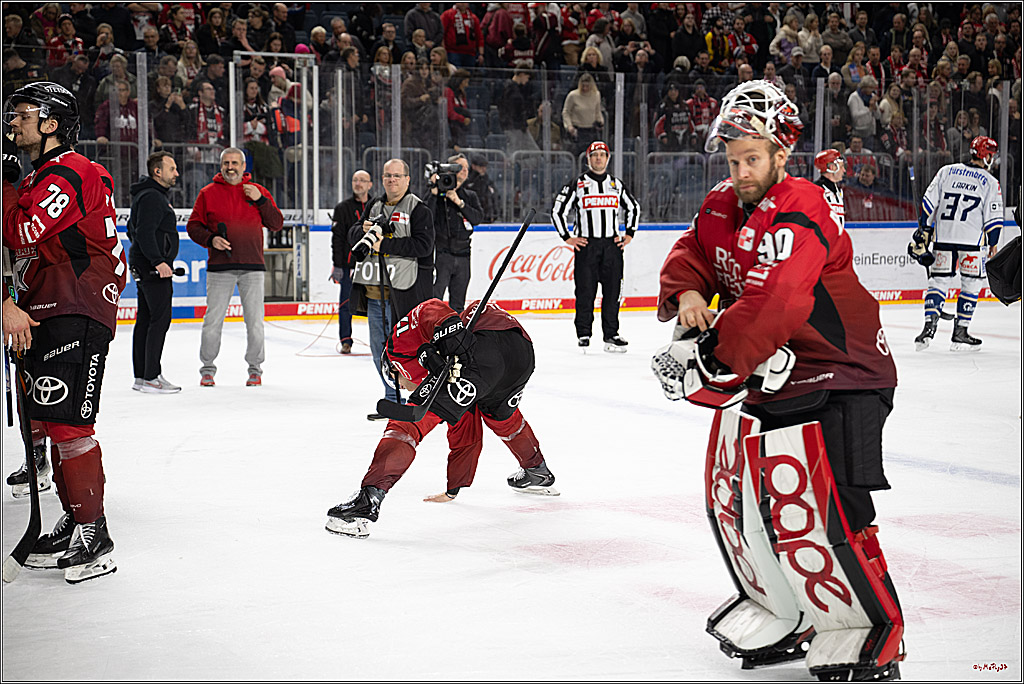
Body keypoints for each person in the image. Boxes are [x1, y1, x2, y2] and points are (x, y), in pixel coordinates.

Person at [653, 79, 903, 681]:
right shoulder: (722, 202)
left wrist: (717, 362)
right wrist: (688, 292)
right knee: (759, 507)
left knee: (834, 510)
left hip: (845, 374)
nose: (740, 171)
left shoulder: (804, 203)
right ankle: (790, 615)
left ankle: (874, 629)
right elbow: (694, 251)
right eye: (732, 159)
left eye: (751, 158)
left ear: (780, 153)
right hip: (775, 375)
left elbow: (779, 298)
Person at [2, 82, 125, 583]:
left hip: (76, 304)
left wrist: (6, 185)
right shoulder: (38, 176)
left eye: (23, 114)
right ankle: (76, 519)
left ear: (51, 123)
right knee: (53, 420)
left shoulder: (73, 170)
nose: (13, 123)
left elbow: (20, 231)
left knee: (70, 425)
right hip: (44, 307)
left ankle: (96, 535)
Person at [324, 298, 557, 539]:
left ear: (396, 369)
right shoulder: (445, 364)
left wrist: (451, 337)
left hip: (485, 349)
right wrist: (454, 487)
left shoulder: (397, 348)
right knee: (502, 418)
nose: (406, 389)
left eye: (400, 383)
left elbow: (431, 307)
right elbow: (465, 433)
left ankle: (366, 502)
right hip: (521, 355)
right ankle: (537, 470)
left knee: (407, 427)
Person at [185, 148, 283, 387]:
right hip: (220, 268)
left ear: (243, 166)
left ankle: (255, 370)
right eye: (226, 163)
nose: (231, 167)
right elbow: (193, 226)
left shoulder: (257, 191)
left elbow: (276, 223)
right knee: (213, 321)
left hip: (253, 267)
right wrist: (211, 240)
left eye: (235, 163)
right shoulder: (207, 193)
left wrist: (261, 200)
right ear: (221, 166)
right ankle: (207, 370)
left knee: (255, 323)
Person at [347, 159, 434, 420]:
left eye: (397, 175)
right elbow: (353, 235)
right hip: (375, 294)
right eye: (387, 175)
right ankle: (392, 399)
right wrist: (362, 231)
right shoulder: (374, 206)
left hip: (405, 295)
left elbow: (424, 246)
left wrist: (384, 244)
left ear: (408, 179)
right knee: (379, 352)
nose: (392, 180)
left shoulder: (419, 209)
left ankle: (415, 399)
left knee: (406, 351)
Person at [910, 136, 1003, 352]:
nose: (992, 159)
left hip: (944, 239)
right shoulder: (989, 182)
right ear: (985, 156)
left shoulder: (947, 171)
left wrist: (925, 229)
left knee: (938, 282)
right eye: (991, 155)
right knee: (972, 284)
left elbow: (928, 204)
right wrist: (993, 243)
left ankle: (928, 329)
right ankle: (960, 333)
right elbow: (994, 219)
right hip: (971, 242)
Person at [552, 141, 640, 353]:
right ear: (588, 159)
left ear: (608, 158)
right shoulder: (578, 184)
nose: (598, 158)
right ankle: (583, 333)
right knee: (585, 291)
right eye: (594, 155)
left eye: (602, 154)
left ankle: (611, 334)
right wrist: (567, 237)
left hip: (611, 246)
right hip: (587, 246)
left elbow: (633, 207)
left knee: (612, 293)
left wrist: (629, 234)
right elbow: (557, 211)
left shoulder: (616, 184)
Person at [128, 151, 181, 394]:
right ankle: (150, 376)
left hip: (145, 264)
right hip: (152, 268)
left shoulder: (149, 195)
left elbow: (133, 229)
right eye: (172, 169)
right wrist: (158, 261)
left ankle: (142, 376)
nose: (176, 173)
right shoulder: (152, 197)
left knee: (146, 319)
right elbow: (143, 232)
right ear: (157, 172)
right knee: (159, 320)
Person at [427, 153, 483, 314]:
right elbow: (426, 217)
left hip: (464, 254)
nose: (465, 170)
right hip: (442, 254)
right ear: (449, 169)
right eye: (460, 167)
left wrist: (459, 202)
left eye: (466, 168)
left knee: (458, 305)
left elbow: (477, 218)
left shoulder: (470, 196)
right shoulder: (436, 194)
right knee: (434, 300)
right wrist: (433, 193)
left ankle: (455, 329)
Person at [330, 169, 373, 355]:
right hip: (350, 267)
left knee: (376, 305)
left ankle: (380, 341)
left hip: (373, 266)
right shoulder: (342, 208)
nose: (358, 183)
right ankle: (345, 340)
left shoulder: (376, 206)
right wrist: (338, 265)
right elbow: (337, 239)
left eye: (362, 180)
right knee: (346, 304)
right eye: (355, 180)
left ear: (370, 184)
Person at [813, 147, 846, 230]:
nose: (844, 170)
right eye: (841, 167)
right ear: (832, 167)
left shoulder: (838, 191)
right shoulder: (815, 191)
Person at [463, 155, 498, 224]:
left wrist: (493, 213)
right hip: (472, 214)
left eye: (485, 166)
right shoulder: (467, 179)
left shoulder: (487, 179)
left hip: (486, 214)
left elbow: (493, 195)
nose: (483, 169)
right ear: (473, 166)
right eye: (481, 166)